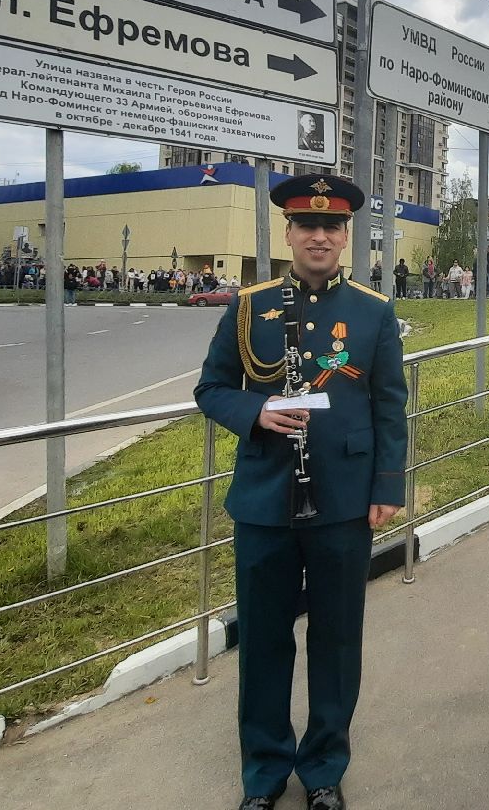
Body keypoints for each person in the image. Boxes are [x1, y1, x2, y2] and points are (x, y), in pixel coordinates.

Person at [194, 173, 407, 810]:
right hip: (265, 499)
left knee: (337, 638)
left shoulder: (372, 311)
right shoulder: (249, 306)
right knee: (263, 637)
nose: (319, 236)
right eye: (307, 225)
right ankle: (263, 773)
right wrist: (254, 412)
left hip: (343, 499)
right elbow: (212, 388)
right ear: (287, 232)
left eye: (332, 227)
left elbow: (390, 405)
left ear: (346, 237)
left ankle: (323, 769)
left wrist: (388, 485)